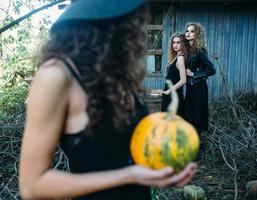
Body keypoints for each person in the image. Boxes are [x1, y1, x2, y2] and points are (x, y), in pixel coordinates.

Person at [19, 1, 197, 200]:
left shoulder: (116, 73)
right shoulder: (55, 76)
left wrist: (164, 168)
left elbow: (125, 152)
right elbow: (32, 186)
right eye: (133, 18)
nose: (139, 27)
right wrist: (127, 176)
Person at [184, 22, 216, 134]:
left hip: (199, 87)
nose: (188, 33)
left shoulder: (201, 51)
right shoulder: (187, 50)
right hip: (190, 87)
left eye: (192, 31)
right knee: (188, 115)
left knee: (197, 116)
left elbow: (212, 70)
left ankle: (198, 143)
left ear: (197, 34)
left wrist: (194, 74)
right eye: (187, 31)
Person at [161, 34, 187, 116]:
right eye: (174, 42)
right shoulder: (176, 57)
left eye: (178, 42)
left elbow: (183, 80)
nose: (175, 45)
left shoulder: (180, 58)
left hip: (174, 95)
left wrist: (169, 91)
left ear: (182, 44)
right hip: (169, 94)